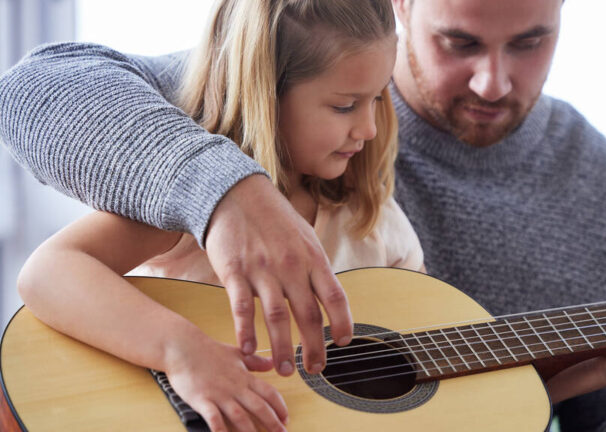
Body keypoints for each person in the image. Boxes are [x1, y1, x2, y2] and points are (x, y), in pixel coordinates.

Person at [0, 0, 606, 430]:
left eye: (530, 42)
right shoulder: (306, 52)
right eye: (458, 42)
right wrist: (223, 192)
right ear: (402, 10)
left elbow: (455, 408)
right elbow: (38, 89)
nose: (493, 80)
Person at [14, 0, 422, 430]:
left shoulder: (374, 220)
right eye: (344, 106)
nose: (370, 128)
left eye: (377, 99)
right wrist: (179, 350)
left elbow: (428, 336)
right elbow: (46, 273)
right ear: (264, 90)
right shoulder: (196, 208)